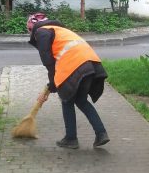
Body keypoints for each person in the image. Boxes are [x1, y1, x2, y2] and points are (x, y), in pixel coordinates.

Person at [27, 12, 110, 149]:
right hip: (91, 64)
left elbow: (48, 62)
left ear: (32, 28)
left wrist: (53, 83)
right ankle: (101, 133)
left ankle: (71, 138)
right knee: (81, 101)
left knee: (67, 101)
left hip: (74, 65)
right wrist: (51, 85)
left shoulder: (41, 32)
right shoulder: (60, 30)